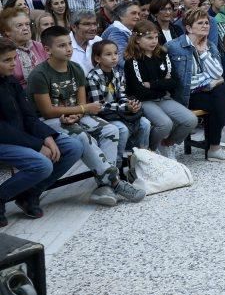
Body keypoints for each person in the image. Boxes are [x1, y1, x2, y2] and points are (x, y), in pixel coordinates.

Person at [28, 26, 145, 205]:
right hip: (48, 121)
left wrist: (78, 113)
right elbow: (47, 111)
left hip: (75, 114)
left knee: (111, 130)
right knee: (80, 136)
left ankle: (103, 187)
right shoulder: (39, 74)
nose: (68, 49)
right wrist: (79, 111)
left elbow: (82, 104)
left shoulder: (75, 68)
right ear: (47, 50)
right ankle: (114, 181)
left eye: (69, 44)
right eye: (61, 46)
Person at [0, 36, 83, 226]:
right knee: (42, 164)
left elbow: (29, 116)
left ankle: (30, 194)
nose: (14, 64)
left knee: (73, 147)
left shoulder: (10, 81)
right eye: (7, 60)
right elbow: (2, 130)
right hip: (4, 141)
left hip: (21, 137)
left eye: (14, 58)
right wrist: (37, 145)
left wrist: (48, 137)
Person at [167, 10, 225, 162]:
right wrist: (208, 81)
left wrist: (203, 53)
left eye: (206, 22)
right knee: (220, 95)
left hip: (204, 92)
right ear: (188, 28)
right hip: (185, 95)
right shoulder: (174, 47)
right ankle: (217, 145)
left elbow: (218, 73)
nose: (205, 25)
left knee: (221, 92)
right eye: (200, 23)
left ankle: (224, 138)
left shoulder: (210, 45)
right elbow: (182, 81)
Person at [124, 20, 198, 157]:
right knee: (165, 124)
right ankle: (152, 150)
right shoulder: (132, 61)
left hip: (163, 98)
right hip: (144, 101)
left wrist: (152, 84)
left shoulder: (163, 55)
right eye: (149, 38)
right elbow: (140, 91)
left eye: (156, 37)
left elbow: (175, 82)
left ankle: (168, 144)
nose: (154, 41)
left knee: (191, 120)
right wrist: (163, 82)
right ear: (137, 40)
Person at [86, 40, 151, 155]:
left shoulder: (117, 73)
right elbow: (98, 106)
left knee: (145, 123)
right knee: (122, 129)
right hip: (104, 115)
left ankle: (142, 155)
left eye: (116, 53)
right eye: (108, 54)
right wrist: (125, 107)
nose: (114, 57)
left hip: (119, 112)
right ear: (97, 58)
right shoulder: (93, 77)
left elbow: (122, 95)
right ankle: (118, 161)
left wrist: (131, 105)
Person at [0, 8, 48, 87]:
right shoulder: (3, 51)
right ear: (7, 31)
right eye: (19, 25)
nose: (25, 28)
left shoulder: (40, 46)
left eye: (27, 24)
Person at [101, 1, 141, 67]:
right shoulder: (116, 32)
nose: (137, 17)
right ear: (121, 15)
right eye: (133, 13)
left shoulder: (124, 30)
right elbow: (121, 61)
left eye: (138, 14)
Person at [70, 10, 102, 75]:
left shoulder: (98, 41)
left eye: (95, 24)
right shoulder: (64, 44)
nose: (93, 28)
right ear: (74, 27)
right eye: (87, 24)